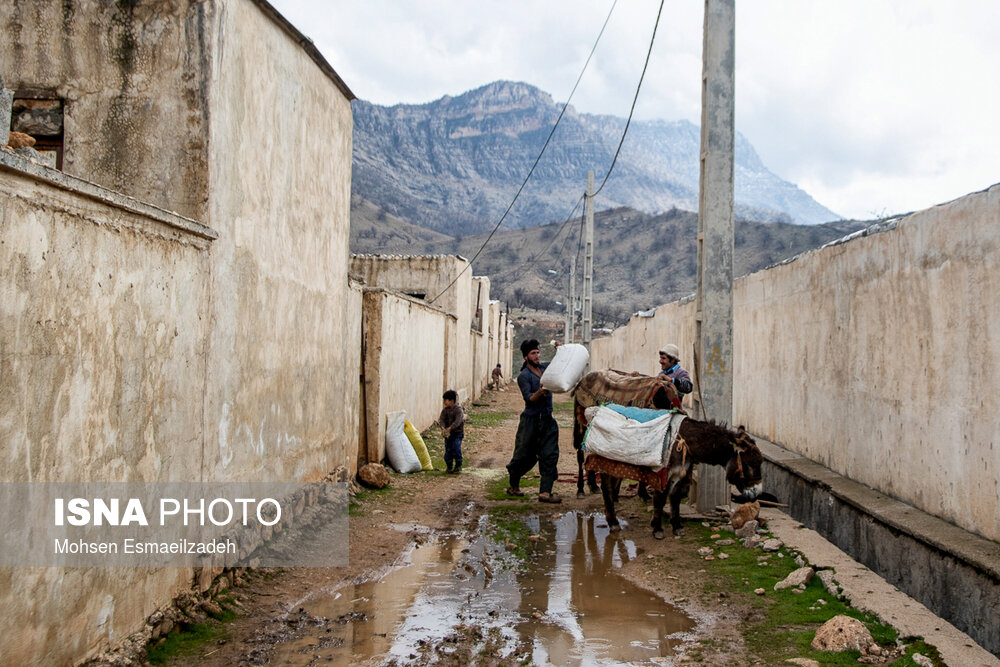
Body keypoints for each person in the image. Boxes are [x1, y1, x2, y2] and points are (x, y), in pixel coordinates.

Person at [506, 339, 562, 503]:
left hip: (547, 420)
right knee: (524, 455)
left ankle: (545, 492)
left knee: (550, 454)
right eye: (533, 353)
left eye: (537, 352)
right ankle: (513, 485)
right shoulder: (524, 376)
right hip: (531, 421)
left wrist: (560, 349)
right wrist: (541, 391)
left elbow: (560, 363)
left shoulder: (544, 368)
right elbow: (529, 399)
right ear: (525, 357)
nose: (537, 356)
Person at [439, 389, 465, 474]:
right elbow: (442, 419)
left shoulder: (458, 410)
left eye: (445, 400)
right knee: (448, 450)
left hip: (457, 434)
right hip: (448, 435)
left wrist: (450, 428)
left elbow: (458, 421)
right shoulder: (445, 411)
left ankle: (458, 465)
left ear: (451, 401)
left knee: (456, 448)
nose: (444, 402)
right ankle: (449, 467)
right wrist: (443, 427)